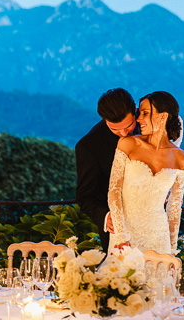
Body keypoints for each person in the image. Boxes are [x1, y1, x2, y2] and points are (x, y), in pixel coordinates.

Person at [107, 90, 184, 254]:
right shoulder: (128, 144)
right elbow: (114, 190)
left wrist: (172, 249)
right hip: (124, 238)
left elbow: (174, 207)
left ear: (163, 116)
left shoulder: (182, 158)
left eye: (145, 113)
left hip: (159, 239)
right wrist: (122, 237)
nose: (138, 119)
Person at [75, 88, 139, 250]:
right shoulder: (88, 147)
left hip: (152, 224)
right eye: (115, 129)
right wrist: (106, 216)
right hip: (118, 232)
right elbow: (85, 197)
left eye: (129, 126)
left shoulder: (149, 126)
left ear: (135, 112)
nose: (124, 134)